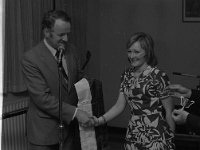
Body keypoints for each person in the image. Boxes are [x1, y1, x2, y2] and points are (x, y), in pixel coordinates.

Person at [21, 10, 93, 150]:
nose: (66, 39)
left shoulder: (72, 50)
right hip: (44, 133)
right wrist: (76, 113)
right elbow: (42, 98)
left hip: (69, 129)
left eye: (67, 34)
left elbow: (79, 79)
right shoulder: (30, 58)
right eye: (61, 35)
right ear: (47, 32)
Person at [93, 32, 175, 150]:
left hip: (156, 135)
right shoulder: (126, 75)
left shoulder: (158, 76)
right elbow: (119, 106)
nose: (132, 56)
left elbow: (169, 111)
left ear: (147, 52)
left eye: (137, 52)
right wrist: (100, 120)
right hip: (133, 133)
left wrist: (170, 140)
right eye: (129, 51)